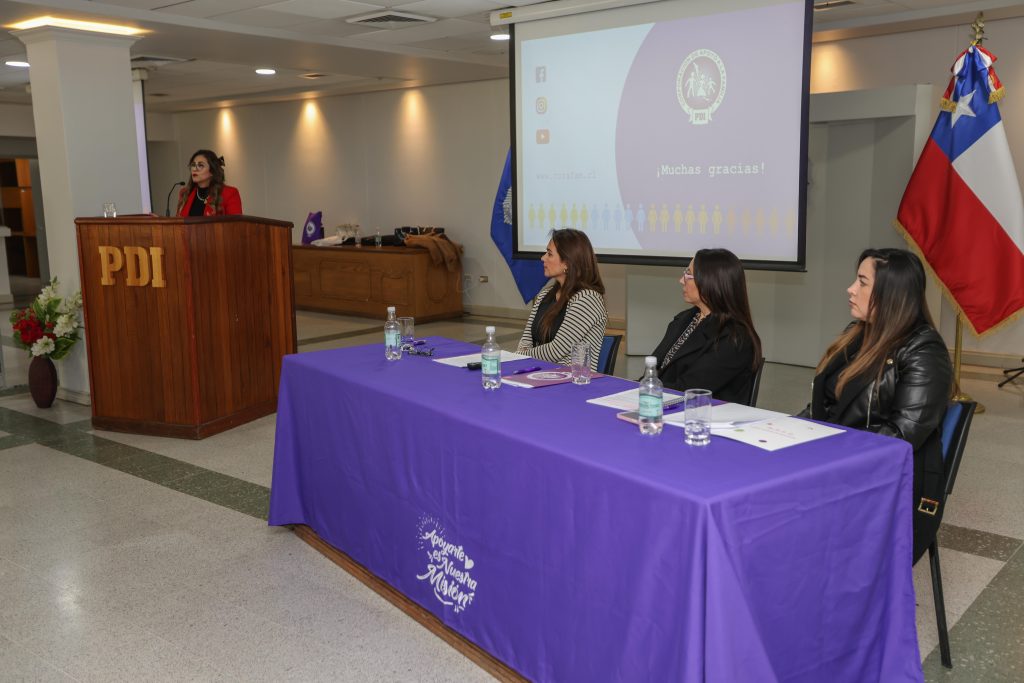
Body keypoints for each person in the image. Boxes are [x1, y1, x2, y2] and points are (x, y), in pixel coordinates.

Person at [802, 248, 952, 564]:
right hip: (844, 466)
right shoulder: (857, 334)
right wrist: (784, 431)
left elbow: (900, 436)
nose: (850, 289)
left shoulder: (924, 350)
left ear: (890, 293)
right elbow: (824, 407)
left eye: (862, 282)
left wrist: (829, 454)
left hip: (892, 487)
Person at [650, 248, 761, 404]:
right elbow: (654, 369)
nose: (681, 280)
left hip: (703, 414)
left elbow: (688, 389)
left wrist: (645, 389)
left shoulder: (734, 338)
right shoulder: (684, 319)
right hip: (664, 403)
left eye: (688, 275)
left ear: (711, 282)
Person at [517, 229, 607, 370]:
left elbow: (556, 350)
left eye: (549, 254)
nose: (542, 258)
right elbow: (526, 340)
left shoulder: (588, 299)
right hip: (538, 372)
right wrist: (520, 357)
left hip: (572, 379)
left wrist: (519, 357)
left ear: (567, 263)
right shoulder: (545, 295)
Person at [176, 149, 243, 217]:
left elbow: (236, 222)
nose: (194, 169)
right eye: (193, 165)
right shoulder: (184, 193)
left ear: (212, 171)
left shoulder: (229, 193)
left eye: (200, 165)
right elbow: (178, 221)